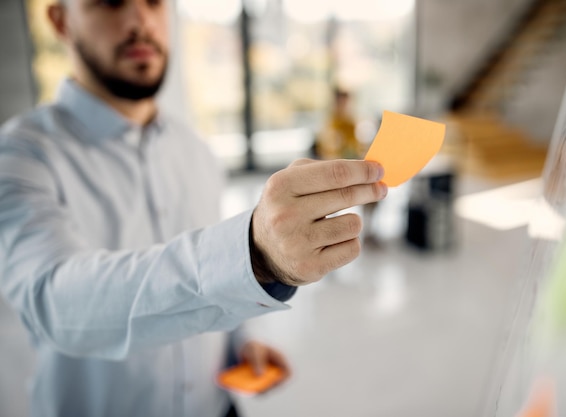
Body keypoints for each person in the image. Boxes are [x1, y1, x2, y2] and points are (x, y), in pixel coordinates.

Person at [0, 1, 388, 417]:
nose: (139, 20)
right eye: (110, 1)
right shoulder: (21, 155)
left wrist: (239, 341)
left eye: (153, 2)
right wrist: (253, 256)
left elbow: (206, 278)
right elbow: (56, 302)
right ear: (61, 21)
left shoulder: (195, 151)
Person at [315, 87, 381, 246]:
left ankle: (369, 229)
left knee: (375, 188)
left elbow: (354, 146)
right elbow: (329, 151)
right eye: (343, 101)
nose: (345, 105)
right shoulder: (332, 123)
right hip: (335, 168)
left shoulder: (350, 121)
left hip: (350, 164)